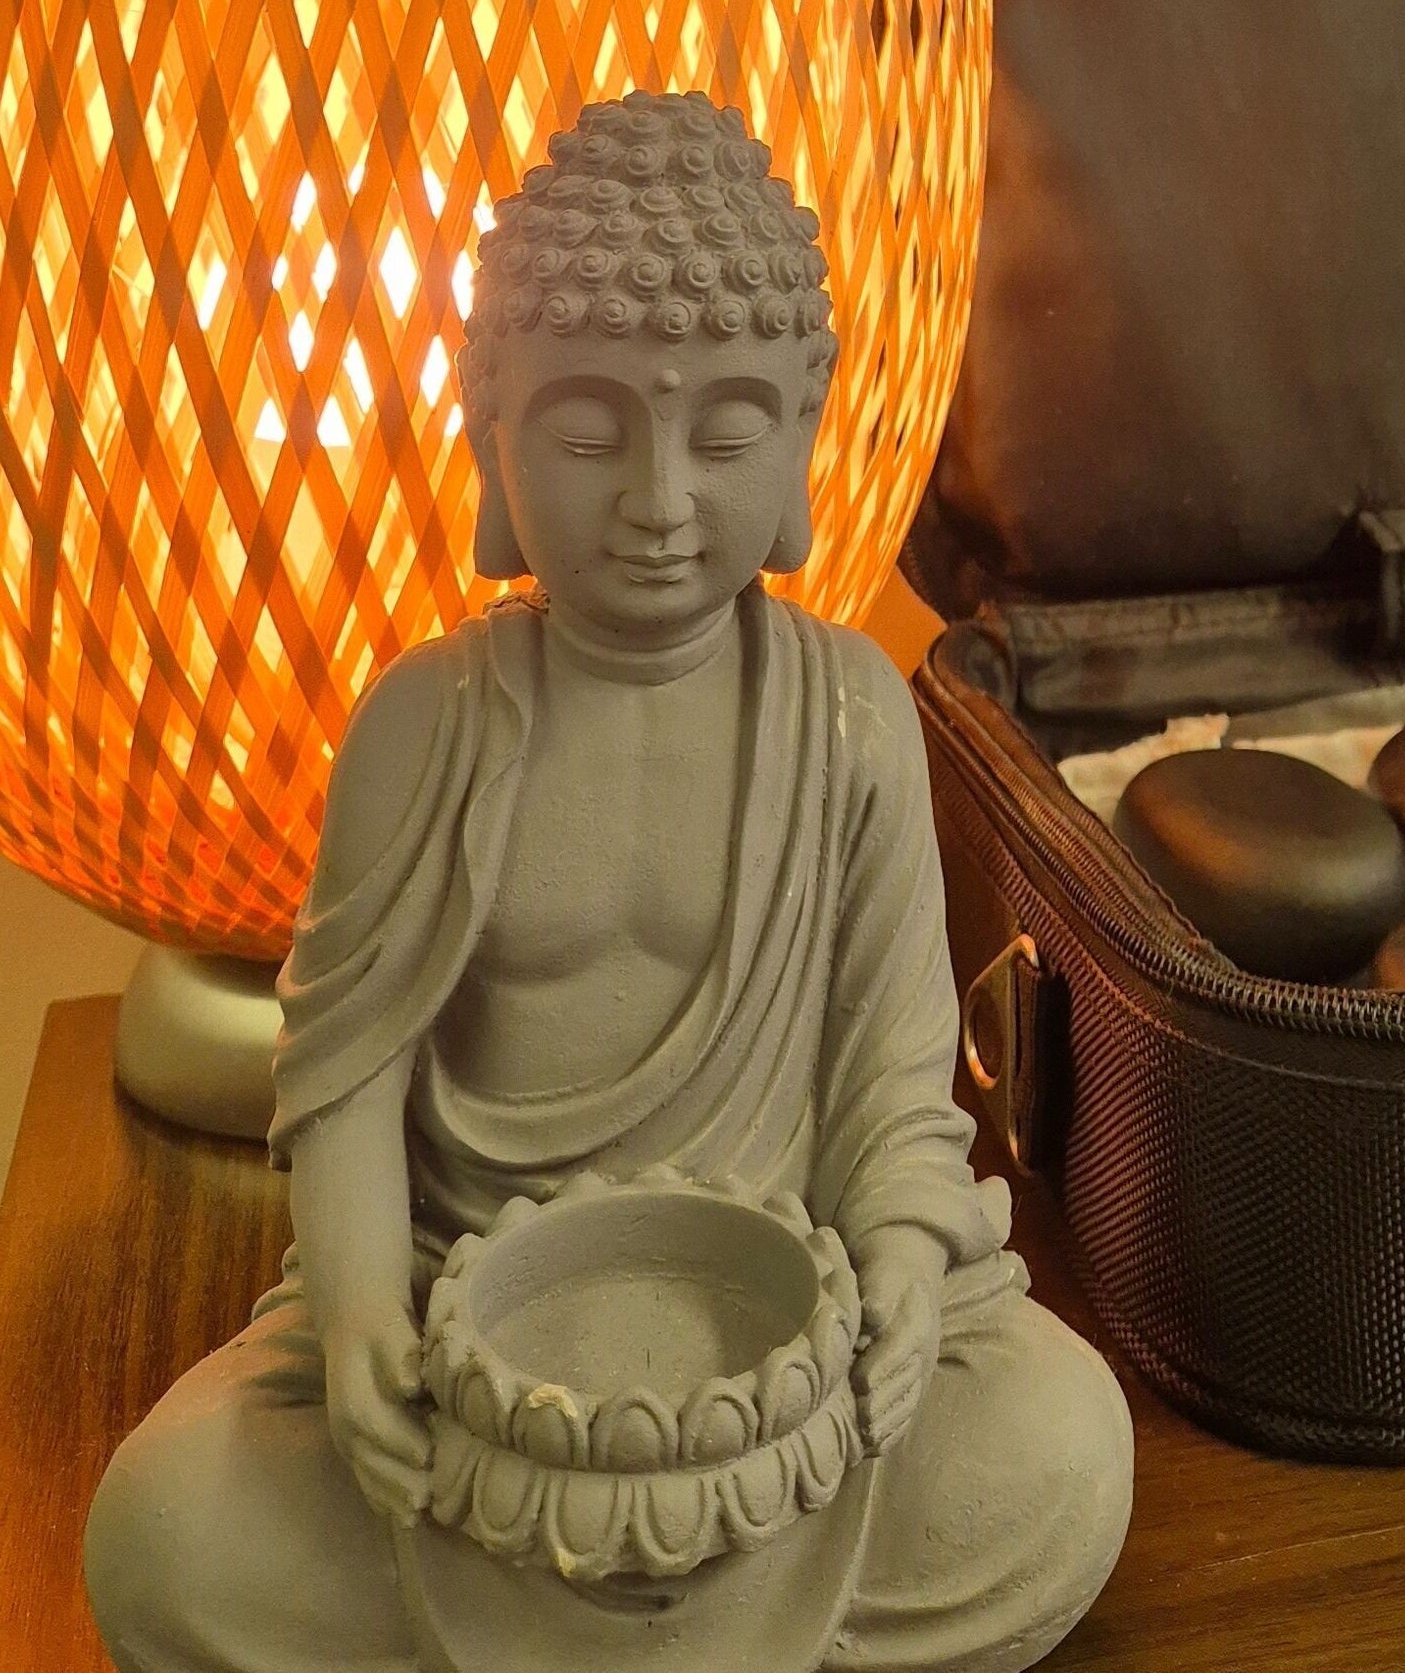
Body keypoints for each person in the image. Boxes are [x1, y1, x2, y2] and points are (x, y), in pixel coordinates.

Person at [84, 90, 1132, 1673]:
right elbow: (348, 1077)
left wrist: (906, 1273)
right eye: (587, 431)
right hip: (467, 1325)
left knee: (1056, 1443)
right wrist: (368, 1322)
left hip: (787, 1321)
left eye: (722, 434)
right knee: (171, 1526)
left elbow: (894, 1085)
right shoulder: (424, 725)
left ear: (800, 432)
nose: (657, 501)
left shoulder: (849, 714)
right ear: (492, 430)